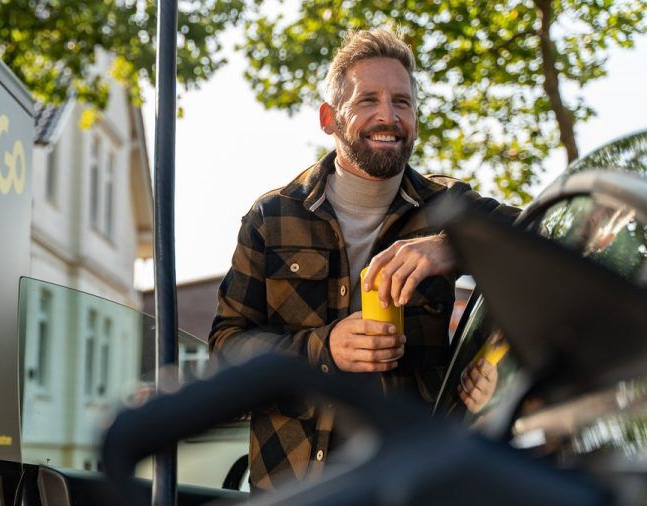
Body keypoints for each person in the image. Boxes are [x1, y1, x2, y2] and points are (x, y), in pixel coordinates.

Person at [208, 28, 519, 493]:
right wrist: (325, 349)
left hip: (419, 483)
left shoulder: (450, 207)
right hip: (295, 489)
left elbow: (560, 241)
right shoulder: (271, 217)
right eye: (367, 100)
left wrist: (457, 247)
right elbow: (226, 351)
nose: (388, 117)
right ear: (329, 118)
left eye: (402, 102)